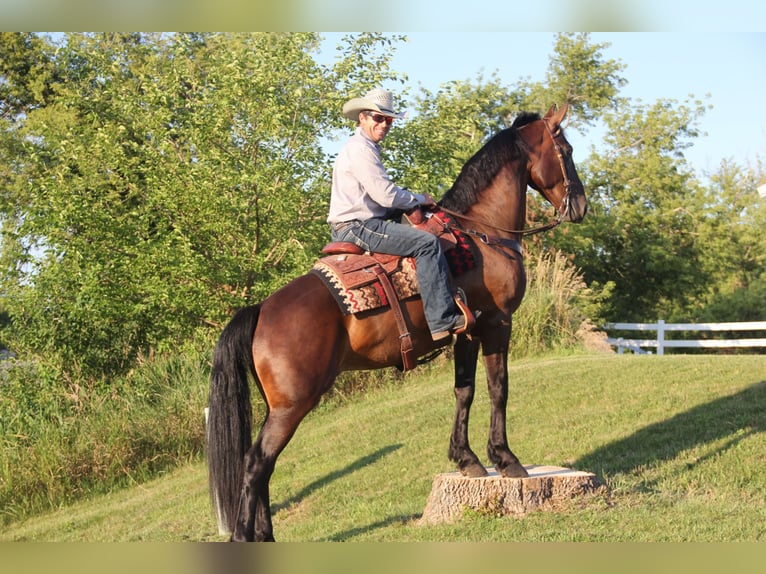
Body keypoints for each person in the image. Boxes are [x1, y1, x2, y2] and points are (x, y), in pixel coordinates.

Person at [328, 88, 471, 342]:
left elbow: (378, 196)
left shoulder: (363, 147)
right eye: (378, 118)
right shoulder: (361, 150)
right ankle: (441, 320)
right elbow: (385, 195)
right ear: (362, 117)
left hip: (361, 221)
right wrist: (418, 199)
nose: (384, 124)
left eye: (389, 120)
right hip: (359, 226)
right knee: (427, 243)